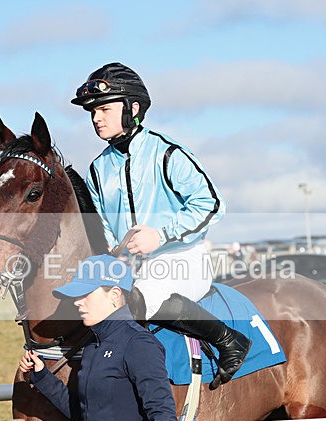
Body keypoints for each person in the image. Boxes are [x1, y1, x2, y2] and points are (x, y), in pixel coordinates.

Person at [71, 62, 250, 389]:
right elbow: (105, 227)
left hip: (183, 257)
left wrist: (161, 235)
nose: (96, 117)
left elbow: (211, 203)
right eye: (92, 111)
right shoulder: (97, 169)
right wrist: (114, 249)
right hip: (131, 265)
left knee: (142, 300)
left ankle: (229, 340)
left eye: (104, 109)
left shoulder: (167, 153)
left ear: (133, 108)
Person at [20, 254, 177, 421]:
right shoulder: (92, 347)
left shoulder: (139, 344)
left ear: (115, 295)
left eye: (86, 294)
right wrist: (42, 375)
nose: (77, 302)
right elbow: (85, 414)